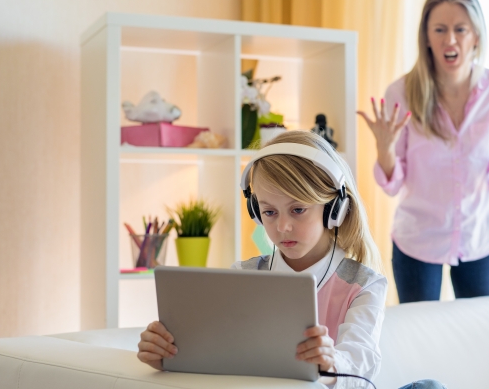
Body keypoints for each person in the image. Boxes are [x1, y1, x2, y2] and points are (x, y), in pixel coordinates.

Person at [136, 130, 446, 389]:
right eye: (269, 212)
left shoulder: (363, 285)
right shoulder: (243, 276)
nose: (282, 226)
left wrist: (330, 361)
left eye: (298, 210)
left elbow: (362, 371)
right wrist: (167, 355)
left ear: (333, 210)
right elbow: (221, 361)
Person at [357, 0, 489, 303]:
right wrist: (385, 148)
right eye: (440, 30)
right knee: (420, 335)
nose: (451, 40)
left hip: (479, 235)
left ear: (476, 35)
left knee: (478, 330)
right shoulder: (401, 93)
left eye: (461, 29)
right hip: (417, 238)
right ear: (427, 38)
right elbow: (394, 184)